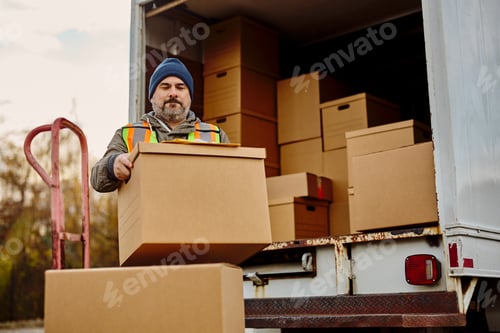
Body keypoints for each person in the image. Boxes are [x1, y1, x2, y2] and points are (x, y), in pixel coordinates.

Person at [91, 57, 230, 193]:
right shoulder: (128, 133)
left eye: (180, 87)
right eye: (165, 87)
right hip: (148, 216)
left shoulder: (215, 135)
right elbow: (96, 180)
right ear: (152, 96)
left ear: (190, 96)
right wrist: (112, 165)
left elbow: (232, 179)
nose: (173, 93)